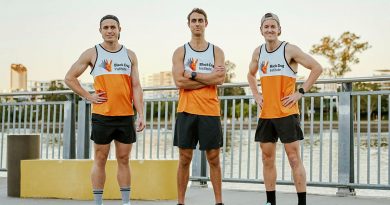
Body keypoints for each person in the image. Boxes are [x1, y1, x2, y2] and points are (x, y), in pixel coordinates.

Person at [64, 14, 145, 205]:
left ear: (119, 30)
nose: (110, 30)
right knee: (100, 158)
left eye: (113, 27)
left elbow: (136, 86)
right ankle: (98, 202)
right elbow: (69, 78)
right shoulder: (92, 53)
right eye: (106, 27)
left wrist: (140, 113)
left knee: (124, 159)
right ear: (100, 31)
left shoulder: (130, 55)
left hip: (125, 115)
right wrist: (88, 96)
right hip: (102, 115)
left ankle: (126, 202)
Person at [247, 13, 323, 205]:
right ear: (261, 30)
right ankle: (270, 202)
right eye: (266, 27)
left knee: (294, 159)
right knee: (267, 159)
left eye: (273, 26)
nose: (270, 30)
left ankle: (302, 202)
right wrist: (256, 95)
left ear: (279, 29)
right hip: (266, 114)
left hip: (287, 112)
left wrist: (300, 92)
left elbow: (316, 68)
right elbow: (250, 74)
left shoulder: (289, 49)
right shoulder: (258, 52)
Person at [171, 8, 226, 205]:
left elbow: (220, 78)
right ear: (188, 24)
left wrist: (193, 74)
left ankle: (219, 202)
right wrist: (208, 78)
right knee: (185, 158)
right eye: (193, 20)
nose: (197, 23)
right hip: (186, 110)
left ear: (206, 23)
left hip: (209, 110)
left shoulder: (216, 51)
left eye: (200, 20)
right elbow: (179, 82)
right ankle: (181, 202)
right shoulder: (181, 51)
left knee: (214, 158)